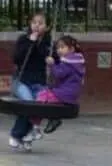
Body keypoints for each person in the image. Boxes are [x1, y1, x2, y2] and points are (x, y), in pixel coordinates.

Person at [9, 12, 51, 150]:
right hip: (21, 80)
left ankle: (26, 135)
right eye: (34, 23)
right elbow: (17, 58)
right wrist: (30, 42)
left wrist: (51, 59)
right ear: (30, 24)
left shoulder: (48, 42)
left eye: (41, 23)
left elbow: (47, 56)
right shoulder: (23, 39)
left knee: (39, 105)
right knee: (28, 104)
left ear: (46, 26)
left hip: (39, 81)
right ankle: (17, 134)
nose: (37, 26)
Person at [30, 36, 85, 135]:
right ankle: (52, 119)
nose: (59, 50)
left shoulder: (69, 63)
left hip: (63, 94)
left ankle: (37, 126)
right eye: (57, 48)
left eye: (62, 47)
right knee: (46, 98)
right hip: (71, 94)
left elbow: (59, 74)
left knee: (41, 97)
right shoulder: (77, 62)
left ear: (71, 49)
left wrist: (52, 64)